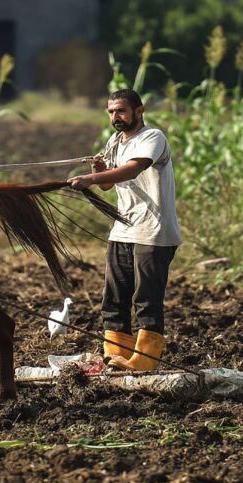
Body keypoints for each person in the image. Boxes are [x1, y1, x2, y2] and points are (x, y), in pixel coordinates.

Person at [68, 88, 181, 371]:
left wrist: (92, 177)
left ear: (139, 111)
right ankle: (116, 357)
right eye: (110, 112)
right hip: (123, 230)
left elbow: (132, 170)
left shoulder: (153, 138)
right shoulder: (115, 141)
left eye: (120, 110)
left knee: (146, 299)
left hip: (154, 231)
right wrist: (100, 170)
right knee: (114, 299)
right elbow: (109, 184)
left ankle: (144, 361)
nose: (115, 116)